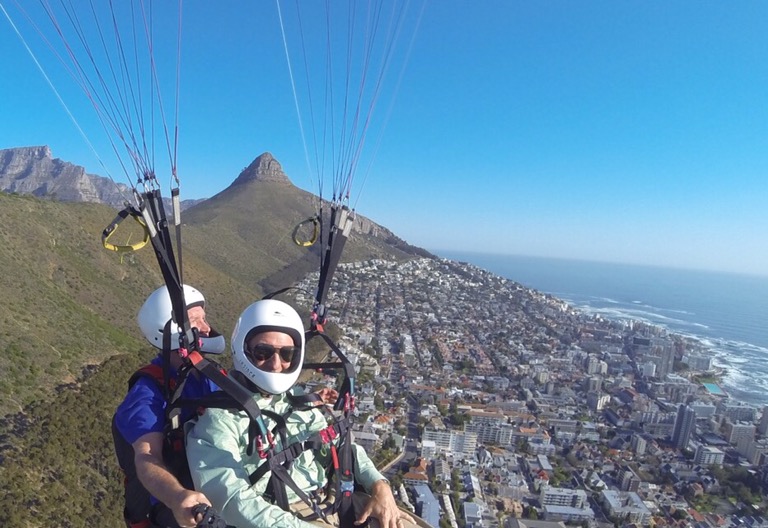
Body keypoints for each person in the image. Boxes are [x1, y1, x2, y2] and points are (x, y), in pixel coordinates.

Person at [186, 299, 420, 528]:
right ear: (244, 351)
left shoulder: (297, 401)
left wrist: (379, 485)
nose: (276, 364)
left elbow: (339, 444)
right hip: (279, 516)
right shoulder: (218, 420)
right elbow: (232, 501)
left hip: (333, 502)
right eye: (263, 352)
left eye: (286, 354)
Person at [113, 284, 226, 528]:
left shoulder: (209, 374)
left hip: (216, 480)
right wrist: (177, 497)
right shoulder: (147, 394)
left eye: (204, 319)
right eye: (196, 321)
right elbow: (147, 456)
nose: (207, 328)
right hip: (174, 507)